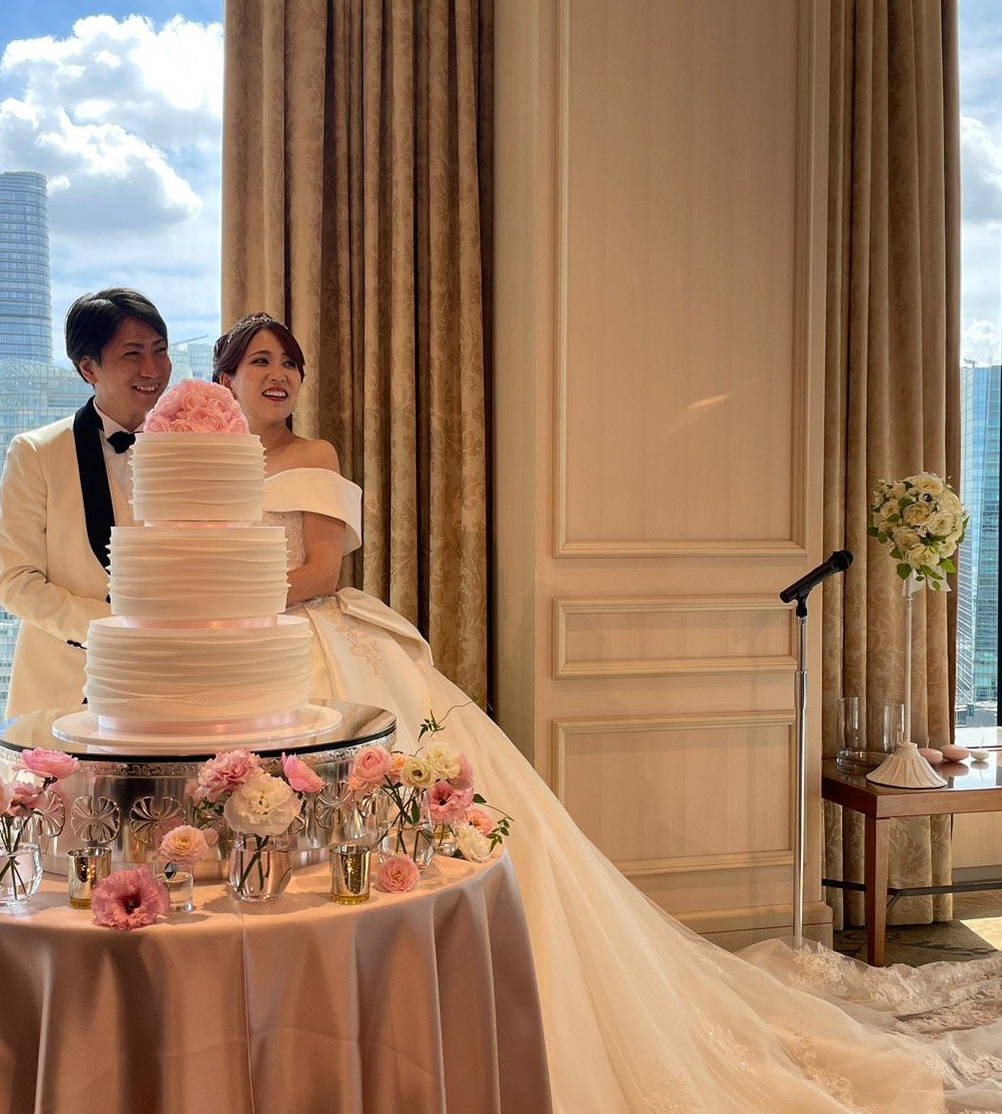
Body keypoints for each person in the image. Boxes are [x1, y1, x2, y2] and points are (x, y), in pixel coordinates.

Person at [216, 311, 1002, 1113]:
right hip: (239, 649)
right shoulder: (207, 465)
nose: (278, 375)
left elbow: (319, 570)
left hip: (316, 643)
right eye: (259, 362)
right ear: (224, 380)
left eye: (289, 362)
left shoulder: (313, 456)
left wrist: (219, 595)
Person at [0, 288, 171, 718]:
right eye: (133, 354)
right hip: (67, 688)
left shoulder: (190, 448)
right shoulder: (36, 453)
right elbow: (15, 582)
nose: (152, 369)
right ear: (88, 367)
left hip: (172, 683)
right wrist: (112, 628)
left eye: (160, 350)